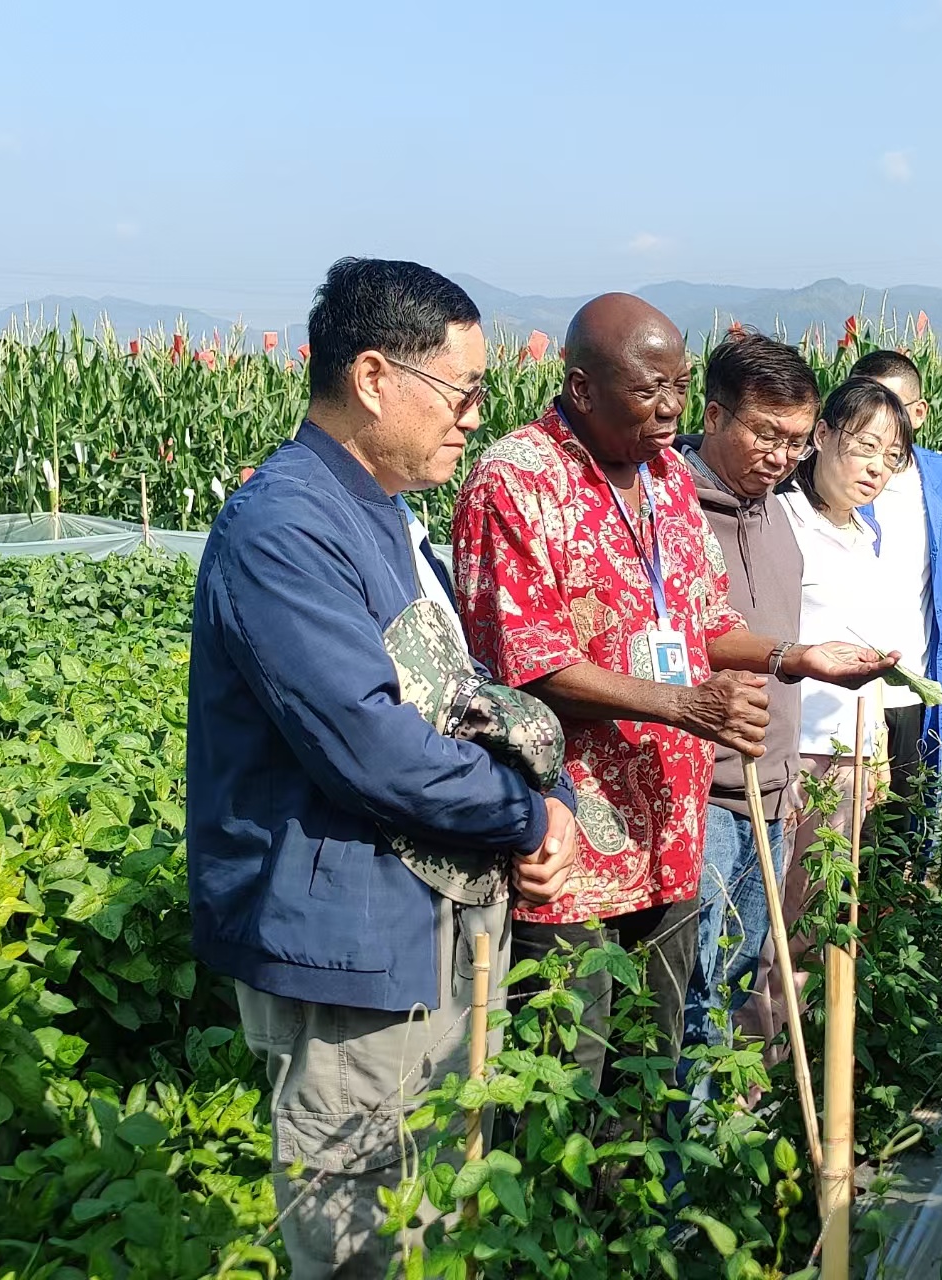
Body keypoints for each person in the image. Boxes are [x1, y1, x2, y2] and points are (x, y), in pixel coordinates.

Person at [187, 258, 582, 1279]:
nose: (474, 418)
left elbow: (473, 696)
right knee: (365, 1232)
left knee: (437, 1210)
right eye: (462, 391)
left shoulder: (387, 517)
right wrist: (526, 816)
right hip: (355, 947)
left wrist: (552, 795)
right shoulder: (285, 527)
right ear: (372, 378)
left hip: (426, 923)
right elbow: (372, 746)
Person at [451, 293, 892, 1083]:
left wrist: (795, 657)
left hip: (671, 831)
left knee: (654, 1066)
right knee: (567, 1072)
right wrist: (687, 706)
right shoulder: (516, 480)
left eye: (680, 387)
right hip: (572, 841)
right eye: (649, 389)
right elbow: (528, 664)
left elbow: (703, 621)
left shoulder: (665, 480)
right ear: (582, 388)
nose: (669, 409)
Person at [673, 332, 820, 1064]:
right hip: (702, 797)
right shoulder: (669, 510)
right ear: (714, 415)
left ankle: (716, 1130)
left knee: (733, 993)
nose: (781, 456)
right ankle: (681, 1138)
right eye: (766, 434)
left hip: (769, 789)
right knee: (687, 1003)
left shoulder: (782, 512)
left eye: (796, 441)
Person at [846, 349, 942, 846]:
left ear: (919, 413)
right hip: (841, 682)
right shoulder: (822, 474)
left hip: (912, 677)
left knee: (903, 823)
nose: (879, 421)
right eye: (864, 405)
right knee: (840, 829)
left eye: (891, 406)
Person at [778, 377, 911, 856]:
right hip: (794, 747)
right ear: (821, 435)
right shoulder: (781, 520)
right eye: (867, 446)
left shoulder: (865, 536)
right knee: (779, 887)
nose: (877, 467)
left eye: (892, 457)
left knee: (828, 889)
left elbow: (867, 650)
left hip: (851, 747)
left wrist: (876, 748)